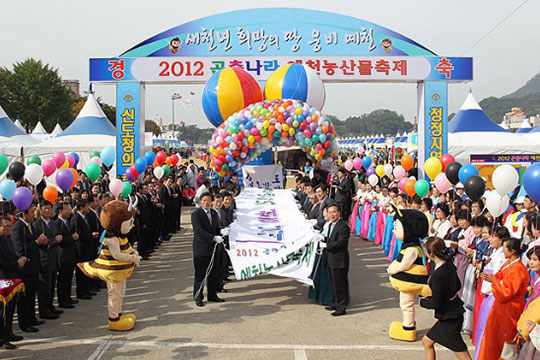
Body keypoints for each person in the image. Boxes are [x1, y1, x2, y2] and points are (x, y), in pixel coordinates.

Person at [78, 199, 141, 331]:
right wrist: (132, 258)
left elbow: (128, 248)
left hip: (120, 273)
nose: (132, 225)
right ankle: (113, 320)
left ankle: (118, 314)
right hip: (112, 272)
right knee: (114, 294)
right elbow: (117, 255)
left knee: (121, 292)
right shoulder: (111, 239)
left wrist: (134, 252)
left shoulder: (121, 236)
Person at [477, 238, 530, 360]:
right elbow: (501, 279)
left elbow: (506, 292)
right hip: (501, 307)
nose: (503, 252)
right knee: (494, 338)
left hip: (510, 308)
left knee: (505, 342)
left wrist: (494, 280)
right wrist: (492, 278)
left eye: (505, 249)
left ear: (511, 252)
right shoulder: (510, 264)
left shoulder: (518, 269)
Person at [420, 237, 471, 360]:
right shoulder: (449, 265)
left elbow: (436, 303)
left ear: (431, 253)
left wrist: (423, 301)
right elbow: (457, 285)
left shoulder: (439, 274)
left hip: (449, 317)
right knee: (427, 342)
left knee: (462, 353)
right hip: (453, 312)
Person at [11, 203, 46, 332]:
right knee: (24, 298)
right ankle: (24, 323)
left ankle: (31, 318)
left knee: (31, 295)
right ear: (24, 214)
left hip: (34, 267)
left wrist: (41, 242)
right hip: (25, 268)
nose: (33, 214)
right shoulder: (18, 227)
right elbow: (20, 248)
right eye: (31, 212)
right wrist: (37, 242)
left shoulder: (30, 226)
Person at [191, 192, 224, 307]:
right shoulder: (196, 214)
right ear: (201, 201)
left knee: (212, 273)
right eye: (204, 200)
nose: (207, 202)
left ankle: (212, 294)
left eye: (209, 200)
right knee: (200, 274)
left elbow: (215, 228)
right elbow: (199, 231)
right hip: (201, 248)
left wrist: (221, 232)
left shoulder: (214, 213)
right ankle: (198, 296)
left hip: (212, 248)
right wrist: (213, 237)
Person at [32, 201, 62, 320]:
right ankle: (44, 310)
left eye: (49, 208)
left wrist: (55, 240)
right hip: (44, 259)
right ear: (40, 210)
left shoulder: (53, 223)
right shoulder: (37, 225)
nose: (47, 211)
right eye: (45, 209)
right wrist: (55, 241)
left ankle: (50, 306)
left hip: (54, 258)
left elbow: (56, 237)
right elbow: (44, 243)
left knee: (51, 285)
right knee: (44, 286)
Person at [318, 202, 349, 316]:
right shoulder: (331, 224)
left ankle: (341, 307)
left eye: (334, 212)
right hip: (330, 259)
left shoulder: (343, 226)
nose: (332, 214)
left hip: (339, 260)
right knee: (334, 283)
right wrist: (322, 239)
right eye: (330, 212)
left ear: (339, 213)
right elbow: (330, 238)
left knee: (340, 284)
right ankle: (335, 302)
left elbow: (340, 243)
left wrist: (327, 246)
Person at [0, 216, 25, 349]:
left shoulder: (8, 239)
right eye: (5, 226)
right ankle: (2, 339)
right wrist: (16, 263)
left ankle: (9, 333)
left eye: (10, 226)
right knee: (2, 312)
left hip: (12, 279)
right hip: (3, 279)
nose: (9, 229)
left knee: (10, 310)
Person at [54, 202, 79, 309]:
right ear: (60, 211)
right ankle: (62, 300)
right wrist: (71, 238)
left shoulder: (68, 221)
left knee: (69, 277)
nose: (69, 212)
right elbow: (60, 239)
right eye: (67, 210)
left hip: (71, 254)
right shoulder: (57, 223)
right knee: (63, 279)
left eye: (69, 209)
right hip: (63, 255)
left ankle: (68, 297)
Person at [517, 246, 540, 360]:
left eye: (535, 259)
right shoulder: (536, 277)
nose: (531, 262)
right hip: (530, 322)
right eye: (530, 259)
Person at [71, 199, 95, 300]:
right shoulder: (76, 219)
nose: (88, 208)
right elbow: (78, 235)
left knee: (87, 269)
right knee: (81, 272)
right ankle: (81, 291)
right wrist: (90, 235)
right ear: (81, 208)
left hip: (88, 247)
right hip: (81, 249)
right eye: (86, 206)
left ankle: (87, 289)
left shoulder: (87, 217)